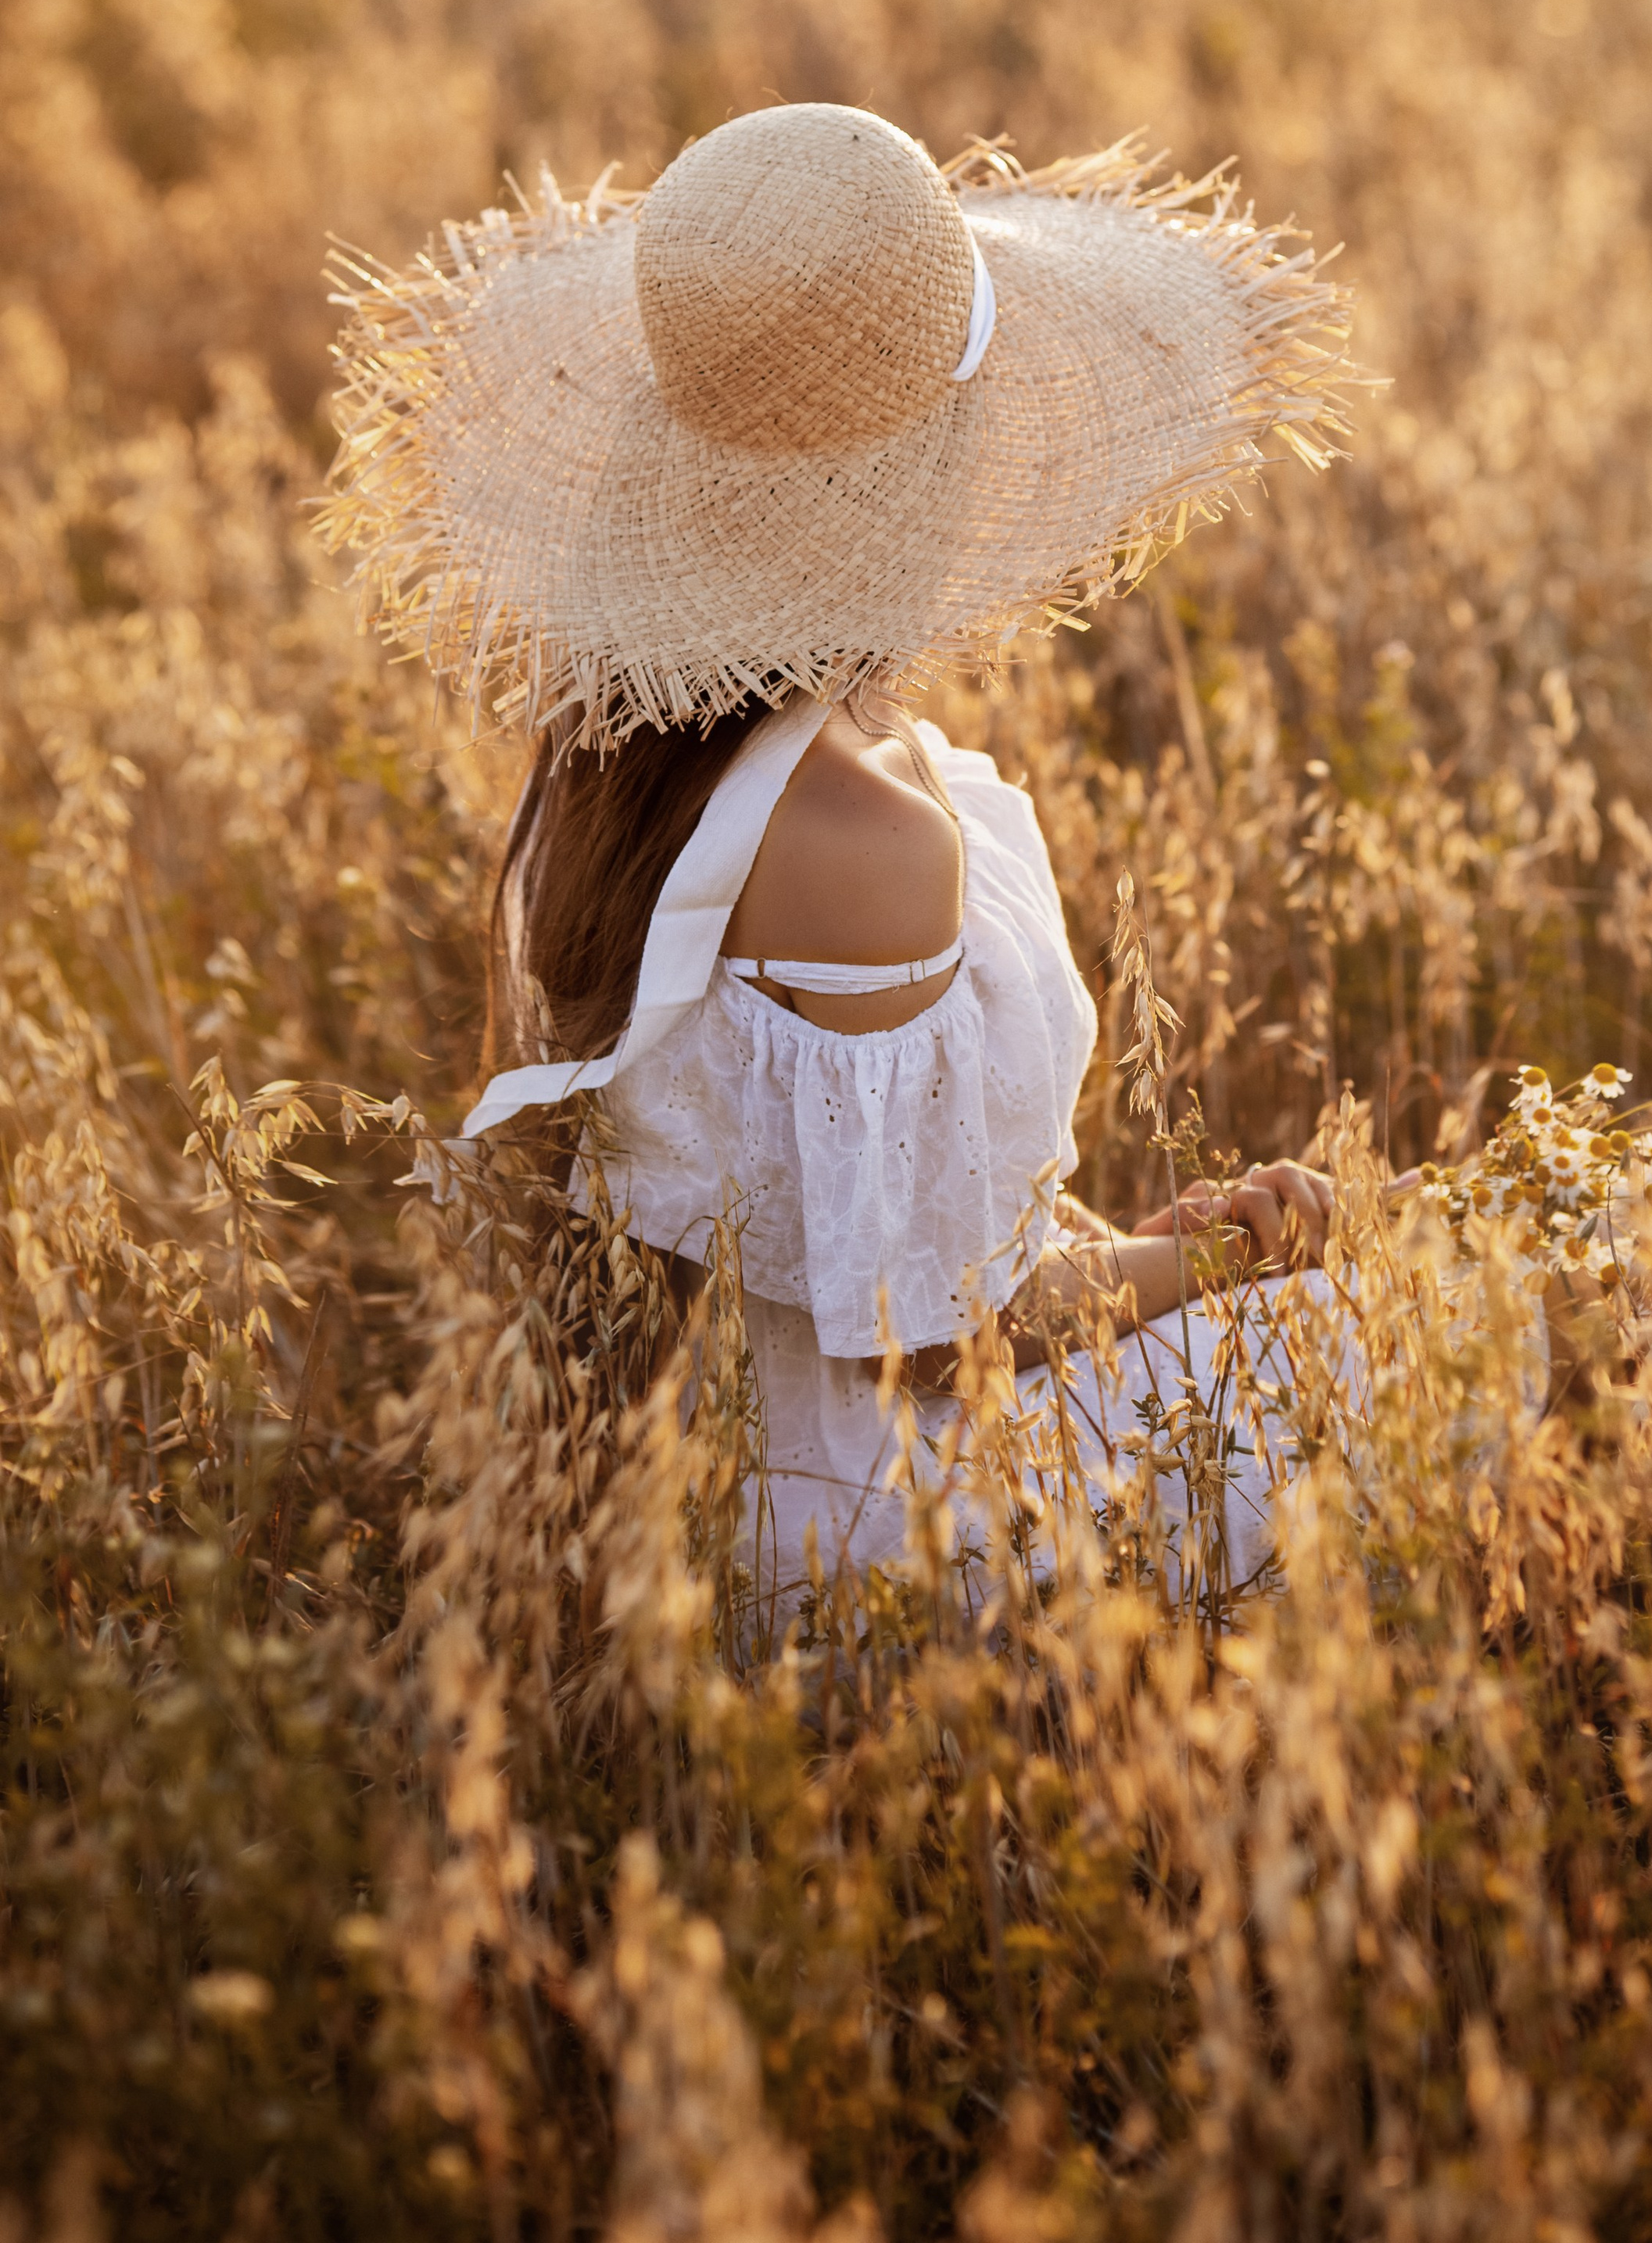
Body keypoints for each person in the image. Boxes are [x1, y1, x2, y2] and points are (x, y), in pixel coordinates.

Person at [326, 103, 1372, 1595]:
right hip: (926, 1524)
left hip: (779, 1485)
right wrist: (1216, 1263)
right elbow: (940, 1343)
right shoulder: (858, 836)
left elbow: (878, 1198)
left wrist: (1115, 1243)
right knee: (1571, 1288)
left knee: (1573, 1269)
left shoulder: (626, 750)